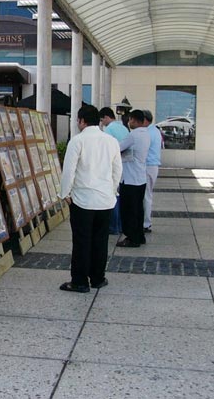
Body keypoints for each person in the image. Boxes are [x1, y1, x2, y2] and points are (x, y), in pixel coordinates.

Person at [59, 105, 122, 293]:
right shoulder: (111, 141)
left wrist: (65, 194)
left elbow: (69, 171)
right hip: (105, 200)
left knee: (81, 241)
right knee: (100, 241)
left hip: (82, 200)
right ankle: (97, 278)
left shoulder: (77, 141)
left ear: (81, 121)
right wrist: (112, 191)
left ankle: (79, 281)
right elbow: (117, 169)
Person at [118, 109, 150, 247]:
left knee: (128, 210)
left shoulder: (133, 135)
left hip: (130, 178)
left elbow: (118, 147)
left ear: (134, 120)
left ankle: (131, 238)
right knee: (138, 209)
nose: (129, 122)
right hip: (140, 177)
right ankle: (139, 235)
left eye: (130, 119)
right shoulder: (146, 134)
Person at [99, 107, 129, 234]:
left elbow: (106, 150)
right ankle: (121, 225)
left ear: (106, 117)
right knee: (120, 197)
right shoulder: (123, 128)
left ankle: (113, 226)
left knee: (113, 196)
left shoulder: (109, 130)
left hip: (113, 166)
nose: (102, 123)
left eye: (102, 120)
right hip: (125, 166)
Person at [143, 109, 162, 233]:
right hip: (153, 166)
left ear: (145, 120)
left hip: (148, 166)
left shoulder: (148, 132)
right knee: (147, 195)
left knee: (146, 196)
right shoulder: (155, 130)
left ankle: (145, 223)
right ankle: (145, 222)